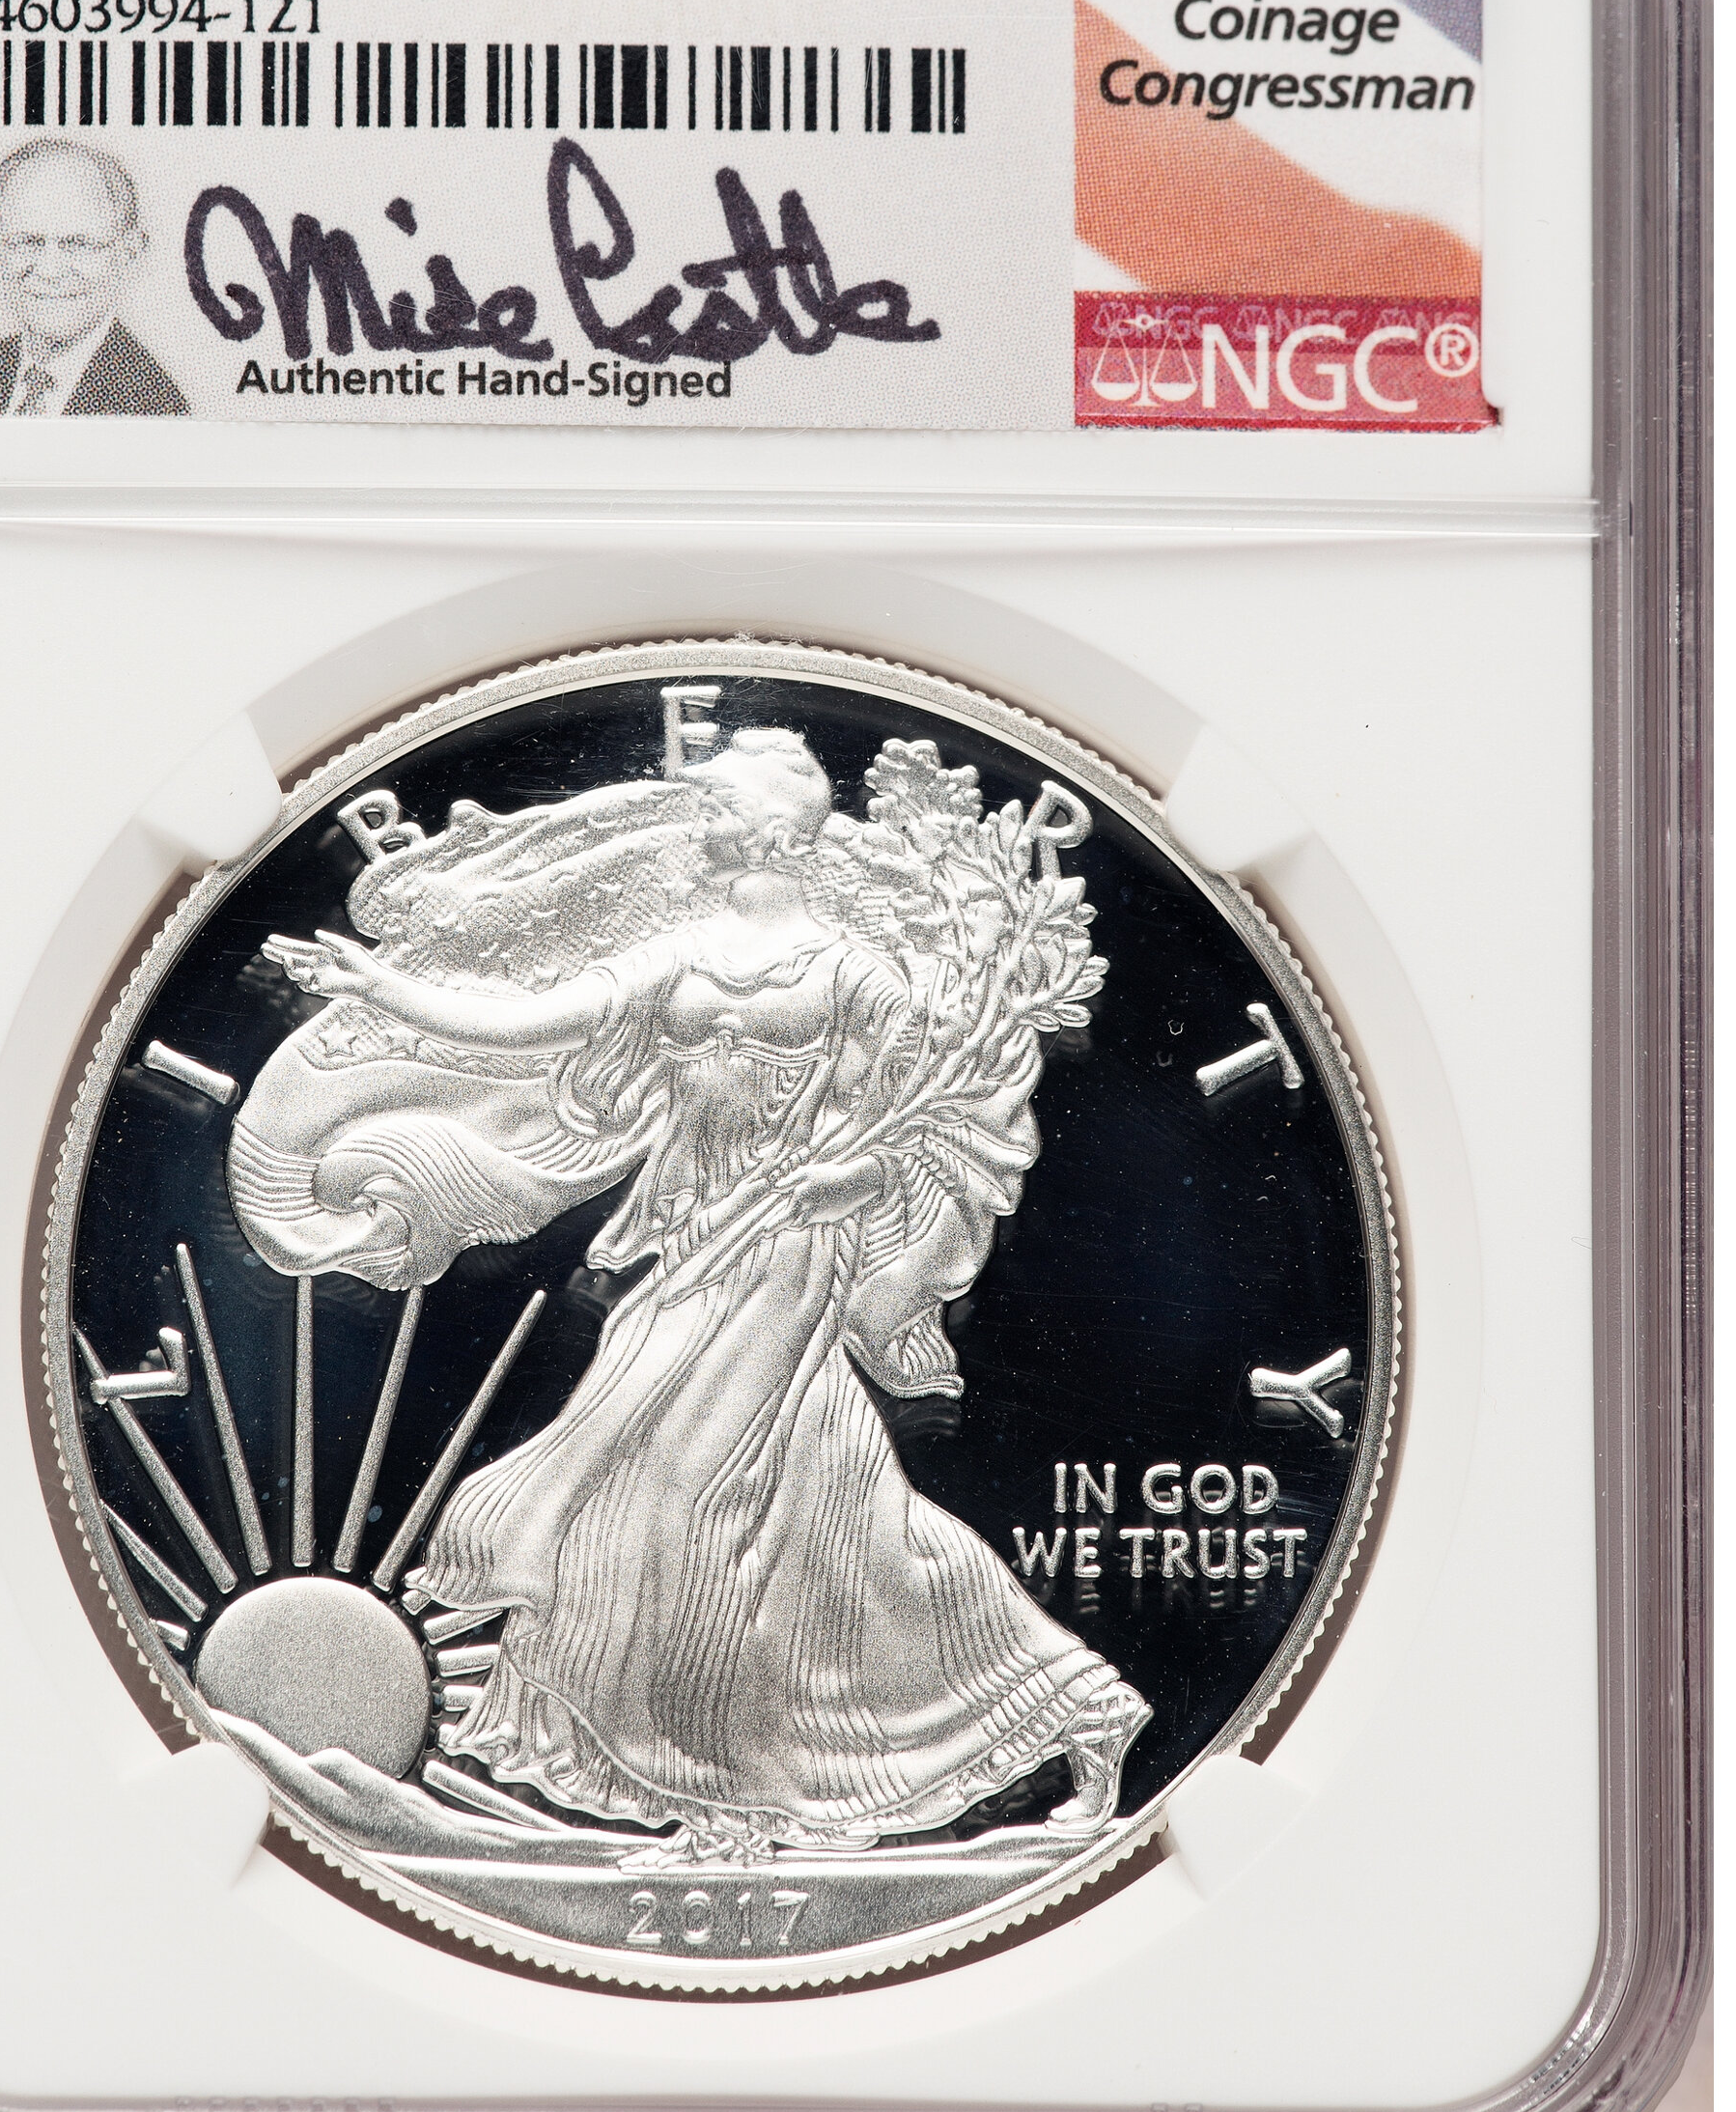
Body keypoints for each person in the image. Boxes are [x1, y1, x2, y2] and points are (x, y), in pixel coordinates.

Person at [233, 724, 1149, 1860]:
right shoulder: (681, 954)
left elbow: (930, 1121)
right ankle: (1069, 1704)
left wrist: (848, 1175)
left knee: (685, 1490)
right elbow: (529, 1024)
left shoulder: (855, 975)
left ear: (772, 830)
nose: (697, 817)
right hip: (698, 1240)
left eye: (716, 803)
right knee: (837, 1513)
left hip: (792, 1249)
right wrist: (384, 987)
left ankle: (733, 1804)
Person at [0, 140, 187, 415]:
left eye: (78, 244)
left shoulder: (154, 403)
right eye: (27, 242)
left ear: (129, 252)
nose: (49, 271)